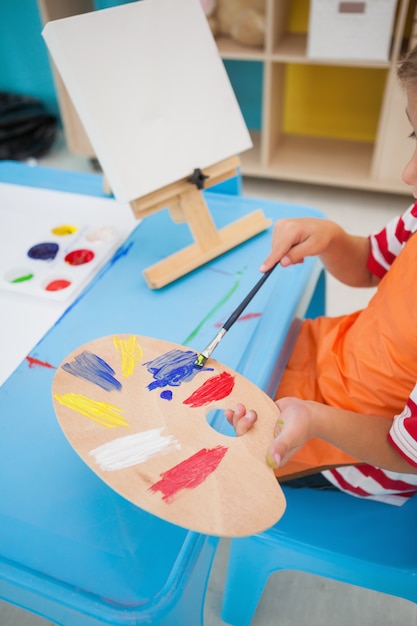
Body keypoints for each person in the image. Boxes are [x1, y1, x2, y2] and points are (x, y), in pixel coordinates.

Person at [225, 45, 417, 506]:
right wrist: (331, 238)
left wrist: (314, 419)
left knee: (201, 444)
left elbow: (406, 452)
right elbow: (373, 262)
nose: (409, 174)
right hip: (331, 360)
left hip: (358, 451)